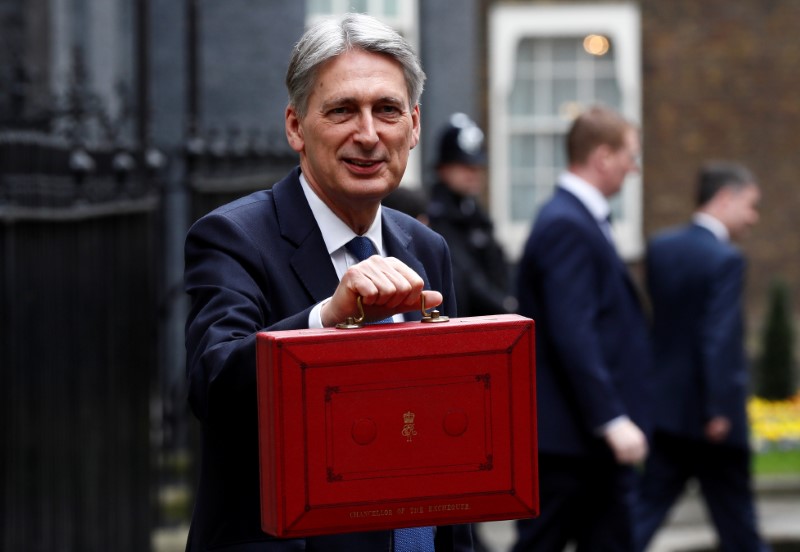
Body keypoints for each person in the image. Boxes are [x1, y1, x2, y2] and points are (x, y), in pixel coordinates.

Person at [183, 13, 473, 552]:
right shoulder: (232, 236)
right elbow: (213, 386)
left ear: (413, 124)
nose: (367, 134)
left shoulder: (427, 247)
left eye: (386, 110)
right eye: (342, 110)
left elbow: (442, 437)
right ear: (295, 126)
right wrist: (327, 319)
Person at [513, 105, 652, 551]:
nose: (633, 169)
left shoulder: (576, 219)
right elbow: (573, 331)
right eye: (630, 157)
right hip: (571, 442)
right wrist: (610, 418)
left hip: (581, 442)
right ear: (603, 157)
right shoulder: (566, 225)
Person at [635, 162, 768, 552]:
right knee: (739, 525)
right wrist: (718, 409)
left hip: (667, 412)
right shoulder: (726, 259)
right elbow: (718, 338)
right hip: (713, 422)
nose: (753, 217)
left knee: (643, 515)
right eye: (750, 204)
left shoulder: (660, 247)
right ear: (724, 198)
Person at [427, 113, 516, 317]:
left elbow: (497, 263)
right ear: (443, 169)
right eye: (465, 167)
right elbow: (466, 279)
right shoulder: (436, 216)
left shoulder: (474, 212)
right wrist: (507, 307)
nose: (473, 174)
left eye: (477, 167)